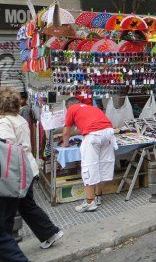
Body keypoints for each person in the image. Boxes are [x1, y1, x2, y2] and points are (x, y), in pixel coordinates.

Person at [0, 87, 63, 262]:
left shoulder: (4, 122)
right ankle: (50, 232)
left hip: (14, 172)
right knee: (25, 206)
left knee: (8, 213)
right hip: (26, 168)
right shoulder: (18, 119)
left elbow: (6, 149)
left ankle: (8, 247)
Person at [62, 97, 116, 212]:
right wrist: (71, 135)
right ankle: (97, 197)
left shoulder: (72, 109)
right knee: (105, 166)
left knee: (88, 167)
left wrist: (65, 144)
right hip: (108, 133)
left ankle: (90, 202)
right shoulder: (93, 108)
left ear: (68, 106)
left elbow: (66, 132)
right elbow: (83, 128)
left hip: (94, 137)